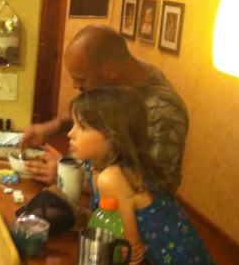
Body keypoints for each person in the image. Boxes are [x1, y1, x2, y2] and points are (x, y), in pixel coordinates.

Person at [68, 87, 230, 265]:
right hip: (178, 260)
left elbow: (131, 251)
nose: (70, 133)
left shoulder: (111, 177)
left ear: (113, 137)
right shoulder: (96, 165)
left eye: (82, 127)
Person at [20, 25, 188, 196]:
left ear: (110, 72)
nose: (75, 86)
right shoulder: (122, 75)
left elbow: (157, 187)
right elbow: (89, 109)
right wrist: (53, 126)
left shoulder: (161, 111)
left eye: (81, 80)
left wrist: (68, 177)